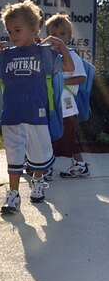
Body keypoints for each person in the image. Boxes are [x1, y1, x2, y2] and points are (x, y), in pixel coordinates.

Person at [0, 0, 74, 215]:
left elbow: (69, 66)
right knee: (14, 155)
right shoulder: (6, 55)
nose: (13, 35)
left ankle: (37, 182)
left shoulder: (45, 53)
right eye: (9, 31)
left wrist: (62, 47)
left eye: (17, 30)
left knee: (38, 156)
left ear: (34, 28)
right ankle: (14, 195)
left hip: (37, 114)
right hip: (11, 113)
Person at [45, 13, 90, 178]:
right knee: (55, 136)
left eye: (62, 34)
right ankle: (78, 165)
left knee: (65, 138)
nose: (58, 38)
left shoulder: (72, 56)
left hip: (67, 107)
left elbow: (82, 77)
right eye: (54, 34)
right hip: (55, 105)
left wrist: (61, 83)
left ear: (69, 37)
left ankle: (76, 165)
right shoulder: (49, 55)